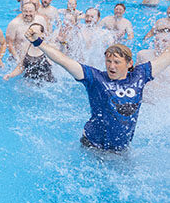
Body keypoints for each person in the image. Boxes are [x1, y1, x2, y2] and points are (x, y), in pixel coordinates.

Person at [24, 27, 170, 152]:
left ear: (129, 63)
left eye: (117, 62)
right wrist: (38, 42)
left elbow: (167, 56)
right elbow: (64, 61)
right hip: (93, 146)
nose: (111, 66)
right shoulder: (95, 78)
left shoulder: (140, 75)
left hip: (120, 148)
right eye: (108, 61)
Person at [4, 3, 53, 82]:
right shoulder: (14, 24)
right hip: (23, 59)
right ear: (21, 11)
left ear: (35, 12)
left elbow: (47, 37)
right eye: (25, 11)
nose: (28, 14)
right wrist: (17, 59)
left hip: (38, 57)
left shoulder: (41, 20)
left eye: (30, 11)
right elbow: (9, 43)